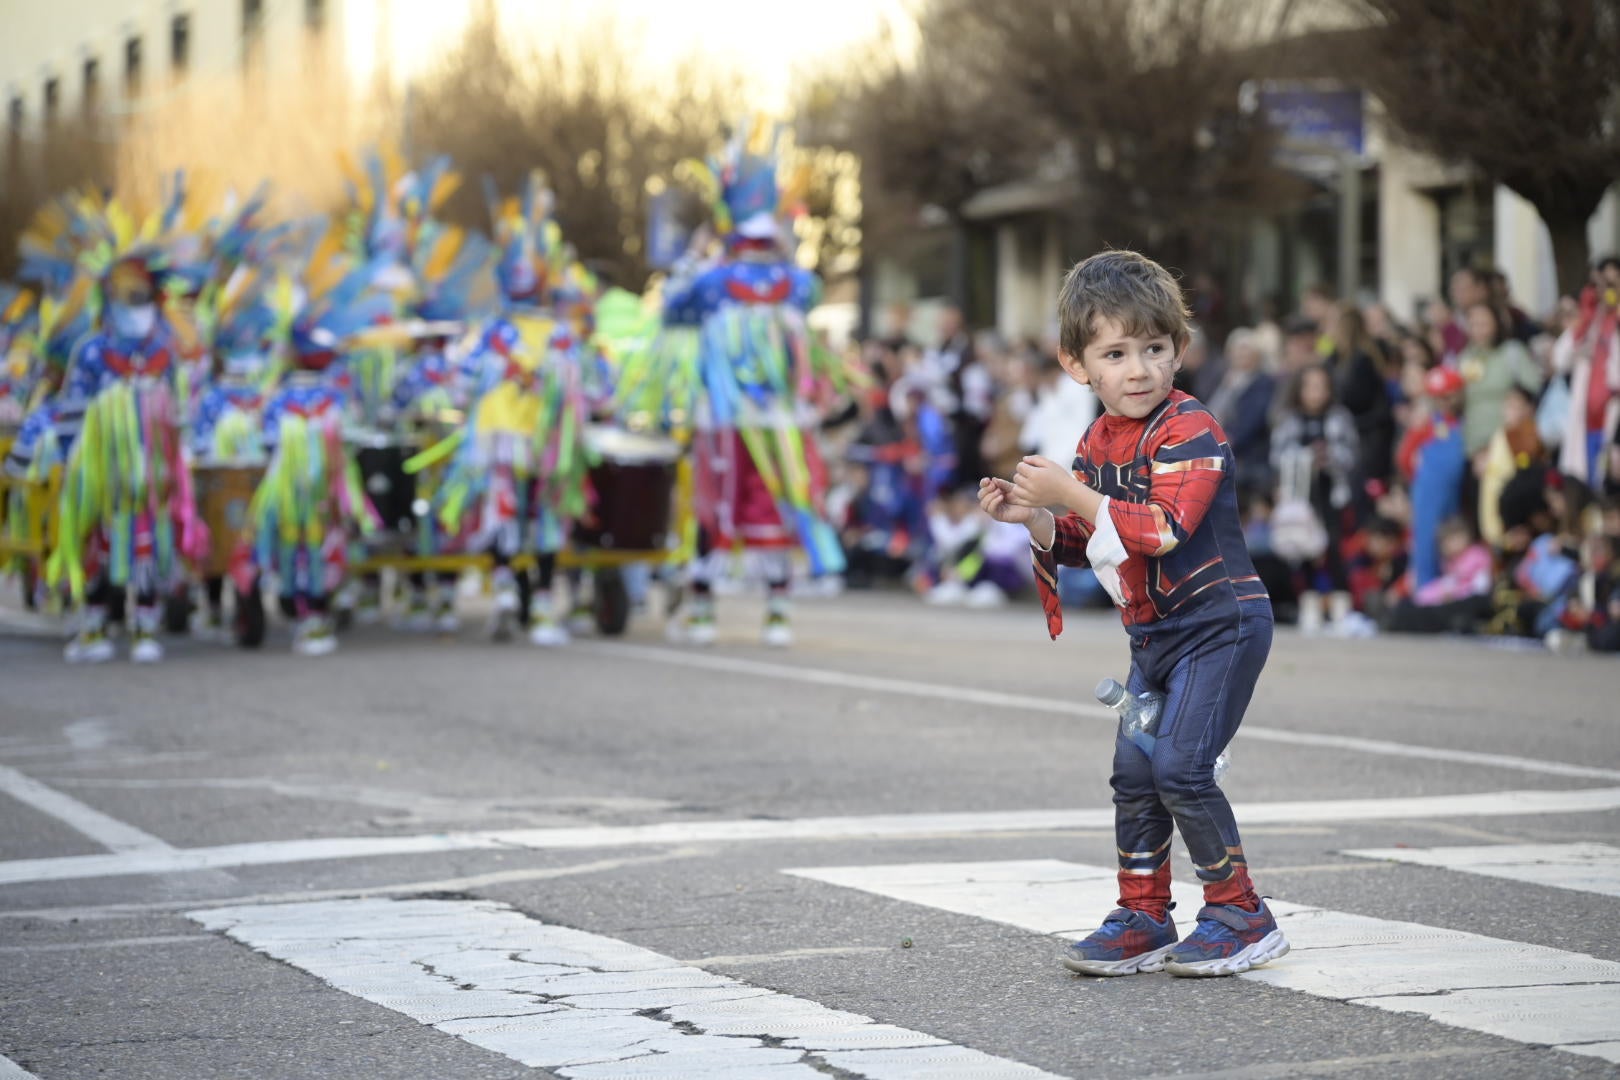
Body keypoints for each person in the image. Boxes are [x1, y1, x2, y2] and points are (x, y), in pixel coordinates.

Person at [980, 250, 1285, 979]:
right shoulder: (1094, 441)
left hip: (1222, 626)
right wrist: (1036, 519)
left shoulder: (1192, 428)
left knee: (1181, 766)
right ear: (1076, 363)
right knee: (1135, 770)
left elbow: (1162, 529)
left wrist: (1068, 495)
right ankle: (1144, 915)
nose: (1139, 369)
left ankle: (1242, 914)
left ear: (1180, 349)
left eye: (1154, 348)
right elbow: (1091, 543)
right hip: (1156, 635)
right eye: (1115, 353)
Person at [1270, 364, 1359, 634]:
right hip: (1300, 492)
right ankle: (1309, 605)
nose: (1315, 393)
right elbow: (1277, 454)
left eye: (1321, 387)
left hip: (1331, 491)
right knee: (1302, 547)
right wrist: (1304, 457)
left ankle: (1341, 607)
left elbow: (1352, 453)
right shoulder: (1289, 418)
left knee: (1333, 546)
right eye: (1310, 387)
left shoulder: (1339, 417)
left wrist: (1328, 457)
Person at [1458, 301, 1541, 460]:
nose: (1478, 330)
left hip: (1508, 443)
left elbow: (1533, 388)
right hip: (1473, 445)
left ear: (1497, 324)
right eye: (1473, 324)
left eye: (1483, 324)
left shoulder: (1512, 352)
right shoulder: (1465, 357)